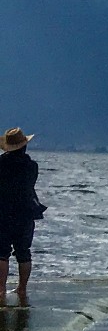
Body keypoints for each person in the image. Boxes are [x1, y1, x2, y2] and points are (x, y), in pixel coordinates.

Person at [0, 128, 40, 307]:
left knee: (1, 253)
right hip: (25, 212)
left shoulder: (1, 164)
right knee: (23, 252)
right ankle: (22, 288)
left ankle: (0, 289)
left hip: (3, 212)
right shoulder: (32, 166)